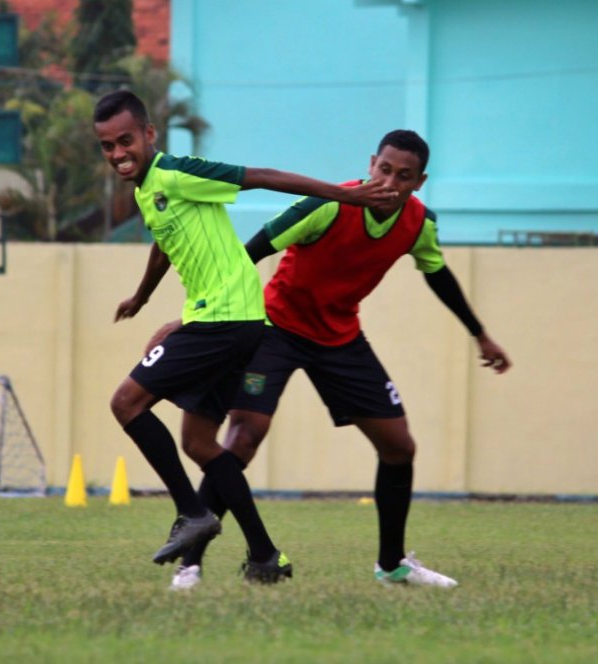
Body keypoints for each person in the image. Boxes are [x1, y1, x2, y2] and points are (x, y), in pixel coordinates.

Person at [167, 129, 511, 590]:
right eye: (384, 169)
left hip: (340, 338)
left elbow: (437, 273)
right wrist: (201, 316)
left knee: (399, 446)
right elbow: (249, 252)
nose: (390, 182)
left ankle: (392, 565)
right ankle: (191, 563)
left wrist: (480, 335)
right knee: (244, 435)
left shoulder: (418, 223)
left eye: (403, 176)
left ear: (419, 182)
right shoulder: (328, 205)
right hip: (275, 328)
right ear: (372, 164)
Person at [93, 90, 398, 582]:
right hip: (231, 323)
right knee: (199, 442)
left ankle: (192, 515)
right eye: (107, 146)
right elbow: (164, 243)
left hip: (226, 320)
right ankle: (264, 556)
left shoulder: (177, 171)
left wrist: (350, 195)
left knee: (126, 403)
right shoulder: (148, 190)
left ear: (149, 135)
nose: (118, 153)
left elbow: (264, 178)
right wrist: (142, 297)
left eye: (125, 140)